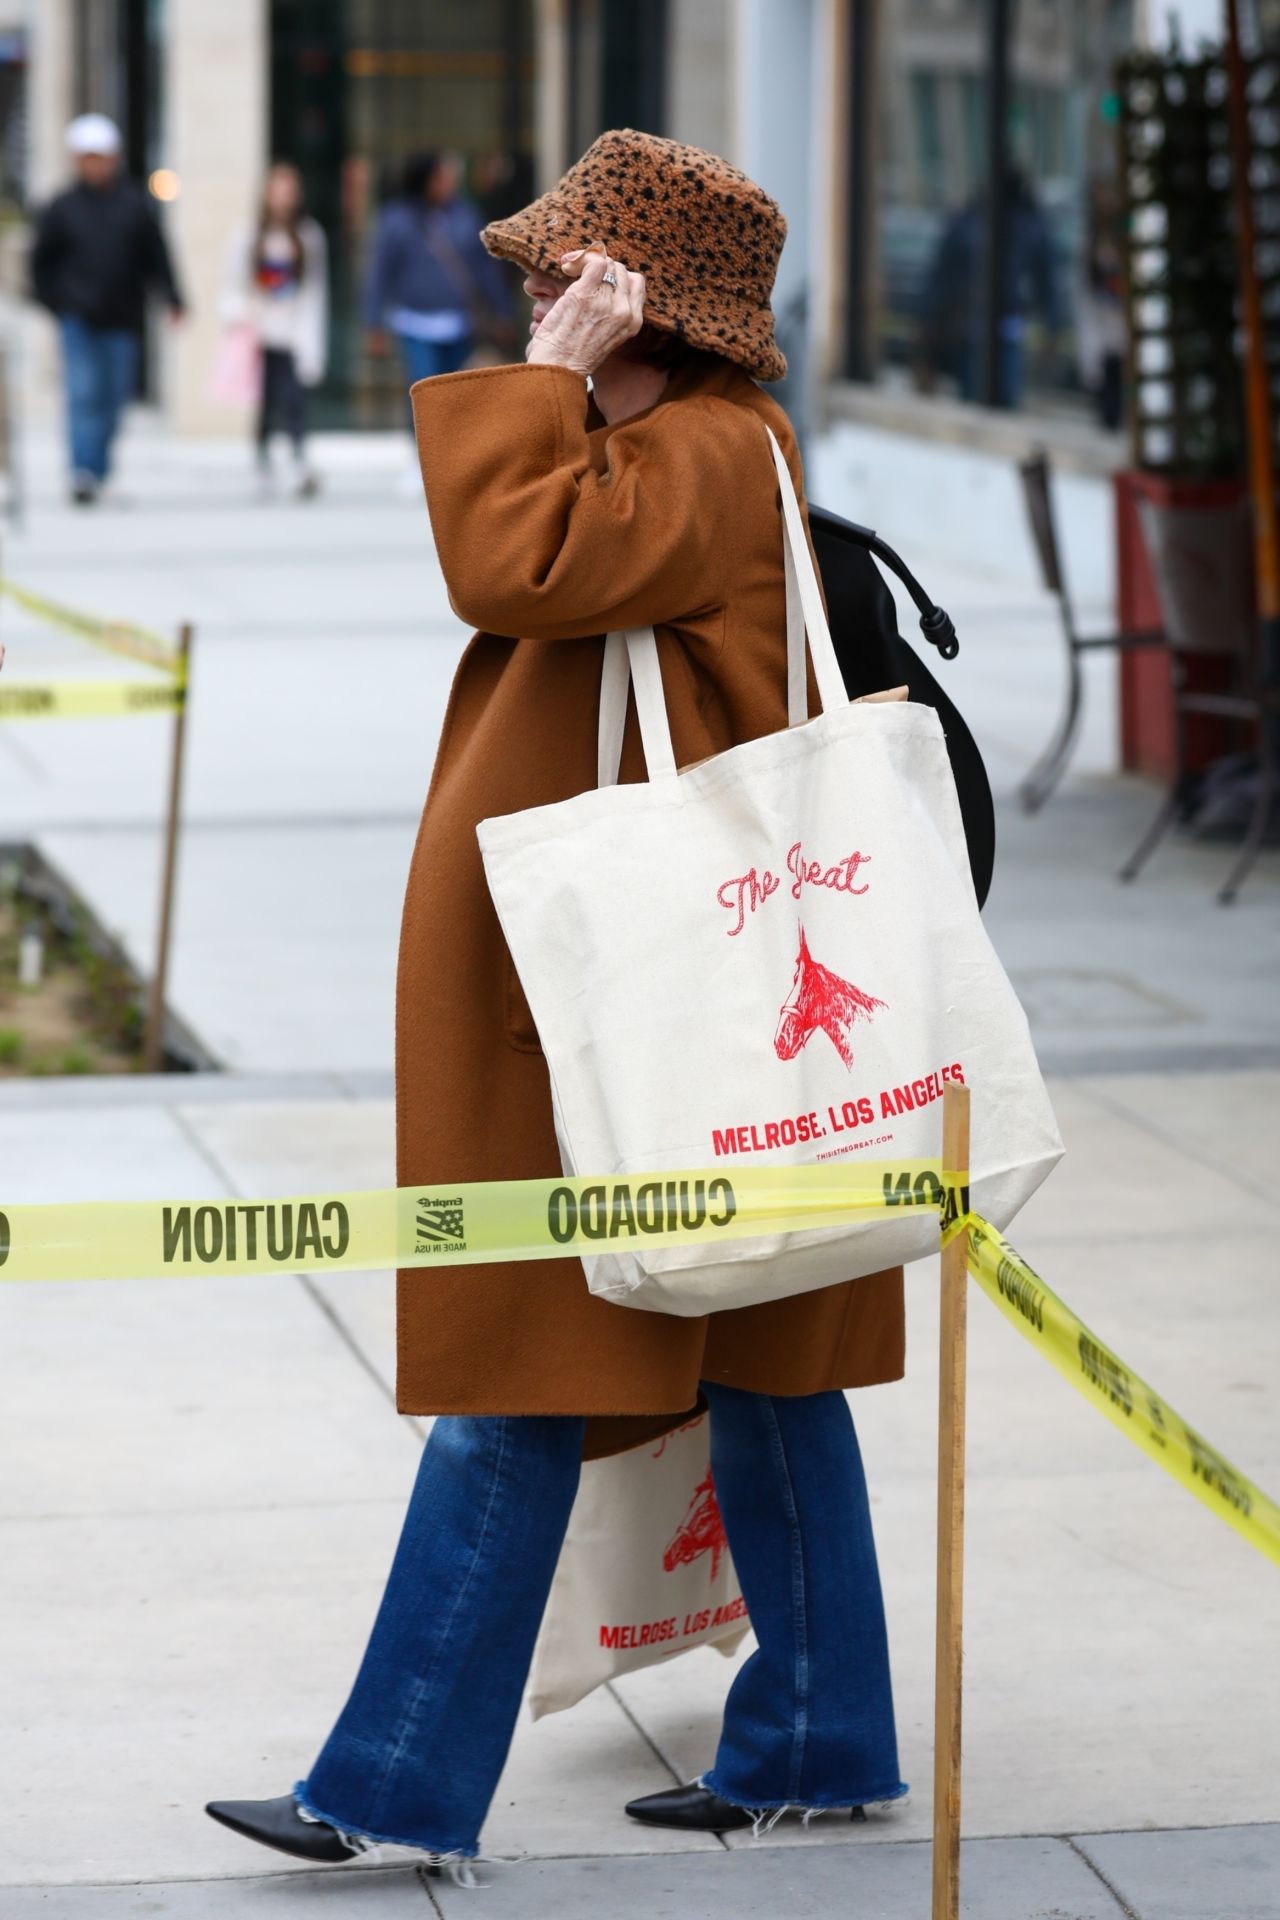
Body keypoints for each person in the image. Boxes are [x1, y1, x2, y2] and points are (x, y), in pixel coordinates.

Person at [205, 129, 909, 1878]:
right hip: (673, 1012)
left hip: (637, 1020)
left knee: (524, 1381)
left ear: (649, 301)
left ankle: (386, 1787)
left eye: (572, 273)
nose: (539, 292)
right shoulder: (680, 448)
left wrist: (542, 381)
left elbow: (507, 564)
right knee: (757, 1377)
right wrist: (566, 386)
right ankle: (820, 1734)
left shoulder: (702, 455)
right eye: (540, 273)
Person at [31, 114, 185, 504]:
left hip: (123, 317)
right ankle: (82, 473)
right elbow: (40, 263)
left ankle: (98, 470)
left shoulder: (134, 204)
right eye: (88, 157)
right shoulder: (62, 207)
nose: (96, 164)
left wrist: (173, 297)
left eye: (101, 156)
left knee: (115, 399)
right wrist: (56, 302)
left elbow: (157, 254)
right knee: (83, 394)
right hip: (79, 318)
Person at [362, 149, 510, 466]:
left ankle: (451, 460)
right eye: (444, 175)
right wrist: (372, 323)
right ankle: (420, 460)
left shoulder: (465, 216)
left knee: (457, 395)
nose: (450, 182)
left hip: (459, 323)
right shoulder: (396, 219)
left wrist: (502, 312)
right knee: (424, 390)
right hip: (415, 322)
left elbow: (484, 270)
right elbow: (379, 274)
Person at [220, 162, 328, 497]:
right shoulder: (249, 235)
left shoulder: (308, 237)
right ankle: (263, 463)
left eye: (289, 191)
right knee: (265, 404)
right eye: (276, 190)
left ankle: (299, 462)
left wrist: (312, 345)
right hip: (258, 336)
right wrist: (237, 314)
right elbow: (232, 284)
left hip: (292, 335)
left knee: (295, 401)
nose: (283, 199)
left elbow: (314, 292)